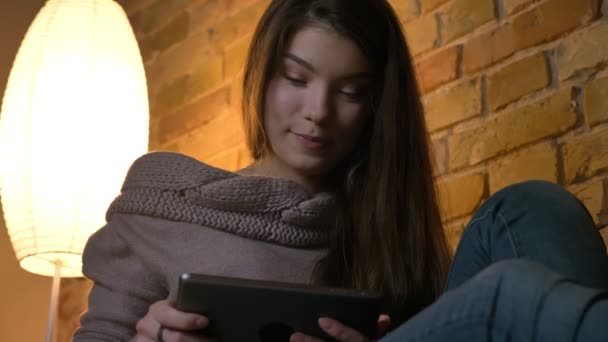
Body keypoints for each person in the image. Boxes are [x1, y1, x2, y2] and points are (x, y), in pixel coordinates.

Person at [73, 0, 608, 341]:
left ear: (376, 109)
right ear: (265, 75)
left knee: (535, 207)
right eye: (296, 78)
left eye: (351, 93)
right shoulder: (165, 207)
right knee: (509, 296)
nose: (318, 111)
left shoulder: (388, 230)